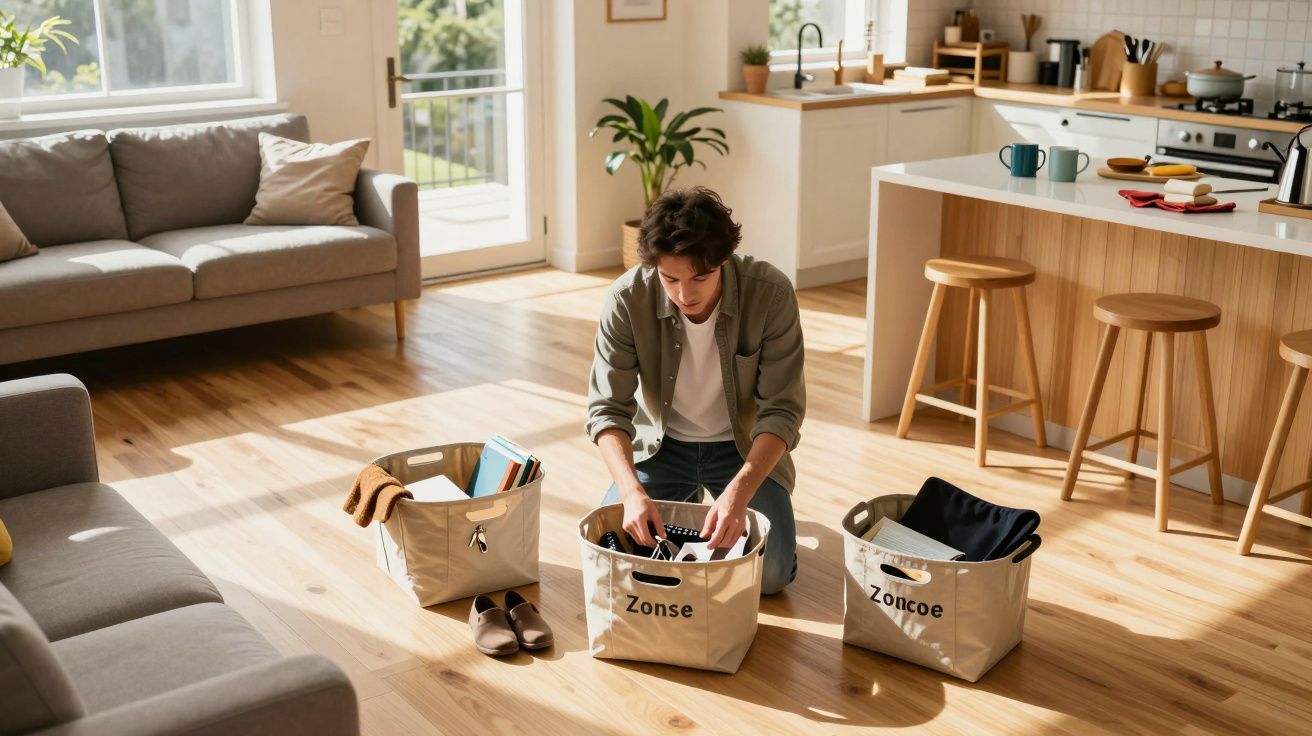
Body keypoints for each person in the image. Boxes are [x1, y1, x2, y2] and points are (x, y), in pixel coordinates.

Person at [585, 186, 806, 594]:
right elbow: (606, 410)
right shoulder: (626, 299)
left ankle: (755, 524)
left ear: (724, 259)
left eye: (700, 277)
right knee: (614, 555)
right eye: (670, 278)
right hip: (660, 447)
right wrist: (632, 491)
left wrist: (739, 493)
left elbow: (783, 412)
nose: (685, 294)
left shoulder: (771, 293)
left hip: (742, 449)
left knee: (771, 577)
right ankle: (690, 514)